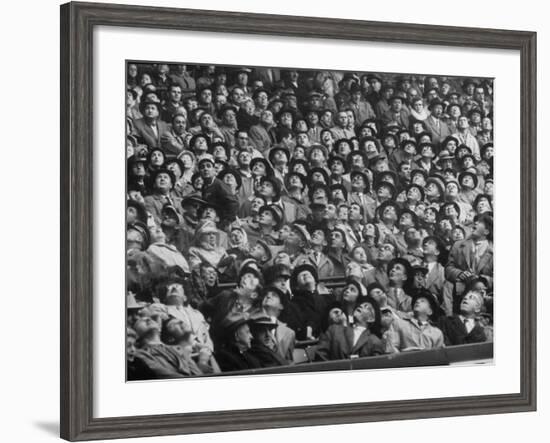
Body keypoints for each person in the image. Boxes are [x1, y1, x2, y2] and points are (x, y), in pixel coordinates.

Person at [316, 296, 385, 360]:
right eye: (360, 305)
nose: (361, 306)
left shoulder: (374, 341)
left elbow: (376, 366)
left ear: (371, 319)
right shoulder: (333, 330)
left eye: (366, 307)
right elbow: (321, 356)